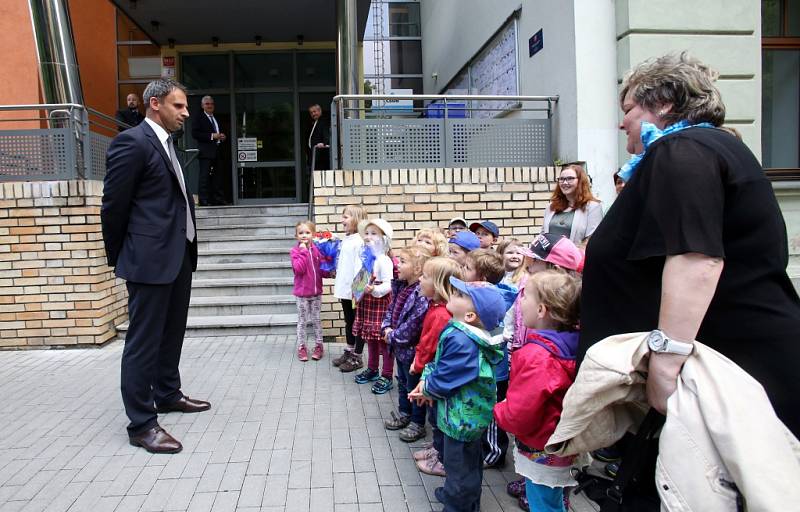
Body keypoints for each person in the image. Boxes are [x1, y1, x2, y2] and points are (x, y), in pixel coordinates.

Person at [581, 52, 800, 503]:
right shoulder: (700, 149)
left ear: (662, 104)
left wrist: (665, 363)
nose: (622, 124)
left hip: (730, 371)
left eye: (627, 110)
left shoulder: (683, 150)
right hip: (727, 363)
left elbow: (697, 258)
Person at [102, 78, 208, 454]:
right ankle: (142, 424)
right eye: (178, 106)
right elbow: (113, 208)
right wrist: (122, 257)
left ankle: (167, 393)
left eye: (185, 106)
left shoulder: (167, 144)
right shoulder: (132, 143)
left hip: (178, 256)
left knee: (171, 332)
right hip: (148, 261)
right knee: (143, 343)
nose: (185, 113)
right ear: (154, 103)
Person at [409, 278, 506, 512]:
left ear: (471, 316)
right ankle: (466, 500)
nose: (454, 293)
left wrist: (426, 388)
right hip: (464, 415)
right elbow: (443, 366)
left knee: (460, 468)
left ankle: (457, 504)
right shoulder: (463, 331)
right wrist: (428, 380)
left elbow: (446, 376)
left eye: (461, 295)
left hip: (461, 420)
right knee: (467, 465)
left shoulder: (462, 339)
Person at [495, 270, 583, 512]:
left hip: (542, 446)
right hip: (564, 440)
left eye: (525, 296)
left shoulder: (537, 356)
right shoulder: (575, 343)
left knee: (543, 503)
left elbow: (519, 413)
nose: (519, 301)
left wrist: (498, 410)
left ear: (542, 310)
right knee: (555, 496)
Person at [412, 257, 463, 477]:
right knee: (434, 418)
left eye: (424, 277)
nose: (420, 280)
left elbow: (432, 346)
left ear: (439, 283)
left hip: (433, 375)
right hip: (430, 374)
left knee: (437, 418)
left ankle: (442, 460)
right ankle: (437, 449)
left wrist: (419, 364)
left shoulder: (442, 314)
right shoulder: (435, 307)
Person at [382, 246, 431, 442]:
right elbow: (390, 309)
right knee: (402, 383)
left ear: (418, 269)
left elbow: (413, 326)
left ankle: (418, 423)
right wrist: (385, 327)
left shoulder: (421, 294)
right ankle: (405, 414)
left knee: (413, 387)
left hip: (410, 351)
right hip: (399, 348)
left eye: (403, 262)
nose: (397, 265)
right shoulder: (400, 287)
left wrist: (391, 336)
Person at [350, 218, 395, 382]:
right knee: (371, 341)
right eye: (366, 233)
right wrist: (357, 288)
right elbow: (360, 279)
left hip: (380, 306)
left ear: (384, 239)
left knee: (383, 342)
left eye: (373, 234)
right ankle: (372, 369)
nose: (368, 237)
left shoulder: (384, 260)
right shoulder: (365, 258)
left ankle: (387, 375)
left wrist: (374, 289)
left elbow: (389, 284)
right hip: (367, 305)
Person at [331, 205, 368, 370]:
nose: (342, 220)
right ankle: (349, 350)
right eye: (342, 216)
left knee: (357, 323)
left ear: (357, 220)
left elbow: (361, 268)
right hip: (345, 290)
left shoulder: (360, 241)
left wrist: (357, 292)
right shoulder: (347, 239)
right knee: (349, 321)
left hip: (354, 291)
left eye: (346, 217)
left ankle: (357, 357)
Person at [541, 163, 603, 245]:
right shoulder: (551, 206)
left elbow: (591, 239)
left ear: (580, 181)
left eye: (570, 178)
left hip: (575, 257)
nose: (565, 182)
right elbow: (542, 235)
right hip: (549, 257)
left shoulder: (593, 207)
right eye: (561, 179)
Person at [291, 220, 324, 362]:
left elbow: (321, 268)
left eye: (307, 232)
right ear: (296, 236)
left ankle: (319, 345)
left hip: (316, 293)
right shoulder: (295, 252)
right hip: (302, 295)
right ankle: (302, 347)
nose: (304, 235)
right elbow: (299, 269)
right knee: (302, 321)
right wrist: (303, 251)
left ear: (313, 234)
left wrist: (330, 271)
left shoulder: (317, 250)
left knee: (316, 320)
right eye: (301, 233)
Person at [191, 95, 227, 206]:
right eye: (207, 104)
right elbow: (195, 134)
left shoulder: (216, 118)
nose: (210, 105)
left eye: (211, 103)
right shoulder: (199, 118)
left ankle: (218, 199)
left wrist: (222, 136)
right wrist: (212, 136)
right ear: (202, 106)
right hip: (206, 152)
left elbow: (219, 132)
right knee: (204, 177)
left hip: (218, 151)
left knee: (218, 176)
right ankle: (204, 200)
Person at [307, 104, 330, 171]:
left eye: (314, 111)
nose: (313, 114)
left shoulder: (324, 121)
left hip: (321, 157)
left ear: (320, 111)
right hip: (315, 156)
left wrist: (324, 143)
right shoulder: (315, 122)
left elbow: (326, 134)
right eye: (311, 113)